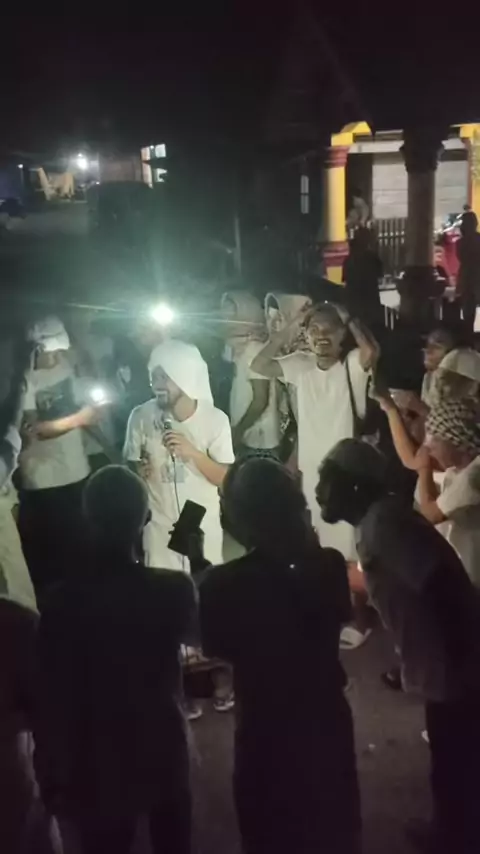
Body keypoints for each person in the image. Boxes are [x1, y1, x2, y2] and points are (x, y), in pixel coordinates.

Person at [316, 438, 480, 854]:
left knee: (455, 756)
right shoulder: (379, 520)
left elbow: (439, 584)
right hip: (444, 660)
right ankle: (453, 829)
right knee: (452, 752)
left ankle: (455, 836)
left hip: (452, 662)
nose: (318, 491)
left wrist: (460, 656)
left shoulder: (383, 525)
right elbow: (395, 578)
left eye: (327, 479)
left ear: (355, 486)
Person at [198, 456, 361, 854]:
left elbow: (216, 645)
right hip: (325, 716)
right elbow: (336, 614)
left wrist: (200, 567)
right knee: (334, 825)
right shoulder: (329, 563)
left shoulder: (224, 582)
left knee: (269, 831)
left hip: (266, 726)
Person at [35, 465, 196, 854]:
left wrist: (52, 766)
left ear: (87, 518)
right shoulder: (172, 589)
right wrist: (200, 560)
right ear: (146, 517)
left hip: (97, 754)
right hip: (163, 743)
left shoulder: (60, 602)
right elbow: (204, 638)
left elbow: (53, 695)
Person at [124, 338, 234, 571]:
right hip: (158, 528)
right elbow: (129, 462)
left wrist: (193, 453)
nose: (157, 385)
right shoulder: (140, 416)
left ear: (185, 376)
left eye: (165, 377)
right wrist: (138, 470)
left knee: (205, 586)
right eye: (154, 377)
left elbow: (225, 479)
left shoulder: (216, 420)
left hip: (201, 527)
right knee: (163, 590)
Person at [17, 317, 98, 597]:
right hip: (43, 480)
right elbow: (33, 429)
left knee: (81, 548)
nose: (56, 356)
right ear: (36, 348)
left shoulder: (65, 364)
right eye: (51, 351)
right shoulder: (24, 378)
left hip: (77, 470)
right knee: (52, 559)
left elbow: (83, 404)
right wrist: (79, 419)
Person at [415, 398, 480, 588]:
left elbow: (429, 515)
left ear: (454, 441)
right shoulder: (457, 473)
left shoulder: (473, 476)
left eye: (434, 446)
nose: (430, 453)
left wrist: (424, 468)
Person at [221, 291, 282, 455]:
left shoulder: (254, 349)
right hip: (248, 437)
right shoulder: (239, 348)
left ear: (246, 314)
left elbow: (260, 400)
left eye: (230, 313)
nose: (224, 318)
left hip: (260, 442)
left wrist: (238, 432)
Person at [342, 226, 383, 327]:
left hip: (354, 301)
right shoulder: (371, 258)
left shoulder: (349, 259)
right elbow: (379, 274)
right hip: (369, 302)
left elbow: (345, 278)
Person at [456, 210, 480, 331]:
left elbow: (461, 257)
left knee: (468, 309)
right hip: (477, 274)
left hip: (466, 276)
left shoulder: (460, 243)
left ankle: (468, 333)